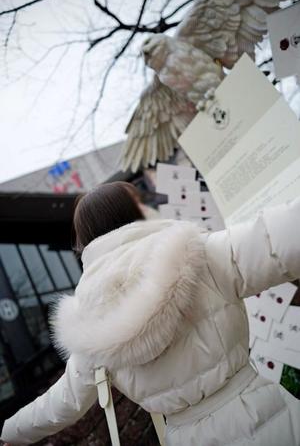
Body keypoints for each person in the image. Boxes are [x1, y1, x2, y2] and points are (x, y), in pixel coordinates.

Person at [1, 181, 300, 446]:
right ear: (136, 213)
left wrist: (8, 431)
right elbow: (278, 240)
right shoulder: (200, 254)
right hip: (265, 415)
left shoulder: (88, 323)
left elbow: (62, 403)